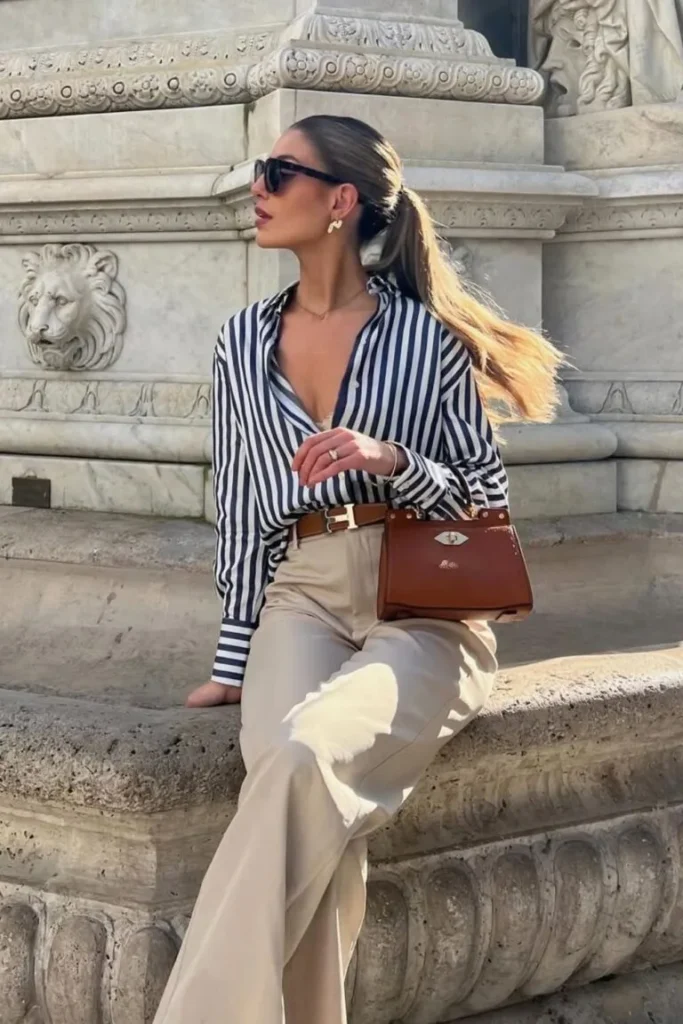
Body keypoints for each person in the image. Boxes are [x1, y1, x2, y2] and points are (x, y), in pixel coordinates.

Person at [153, 114, 562, 1024]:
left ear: (339, 201)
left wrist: (392, 461)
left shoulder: (426, 340)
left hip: (419, 608)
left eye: (276, 170)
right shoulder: (238, 343)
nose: (253, 187)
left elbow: (484, 498)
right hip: (298, 596)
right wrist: (232, 660)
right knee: (303, 807)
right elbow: (241, 512)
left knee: (302, 759)